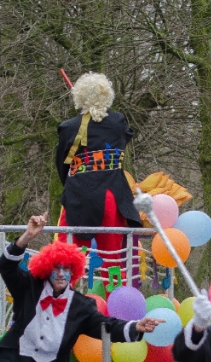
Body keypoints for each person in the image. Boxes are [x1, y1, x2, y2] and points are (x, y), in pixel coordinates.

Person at [0, 214, 160, 362]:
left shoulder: (80, 305)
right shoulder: (28, 288)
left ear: (74, 271)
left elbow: (105, 325)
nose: (61, 273)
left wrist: (135, 326)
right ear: (47, 268)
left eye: (67, 268)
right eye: (57, 268)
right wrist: (27, 236)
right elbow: (6, 266)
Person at [55, 73, 141, 274]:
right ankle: (117, 303)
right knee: (112, 259)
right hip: (112, 196)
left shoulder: (69, 128)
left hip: (80, 197)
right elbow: (127, 135)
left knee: (65, 255)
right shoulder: (118, 122)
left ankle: (62, 301)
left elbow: (63, 165)